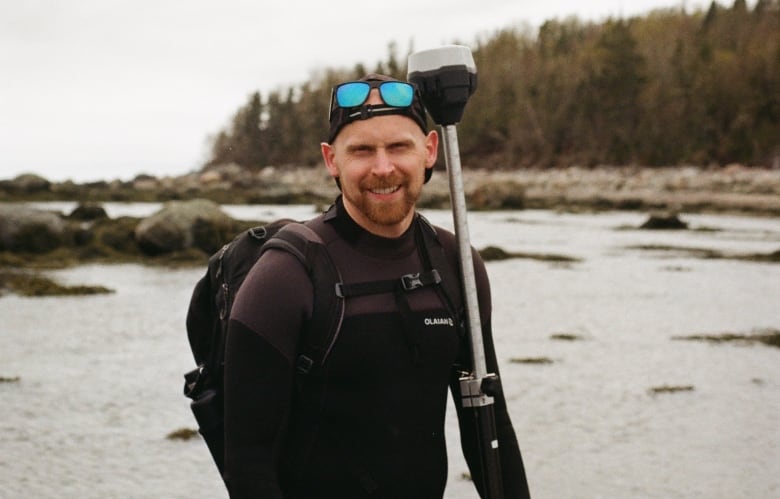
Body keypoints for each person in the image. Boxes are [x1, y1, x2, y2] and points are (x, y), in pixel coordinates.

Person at [223, 73, 531, 498]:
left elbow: (489, 426)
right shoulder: (286, 276)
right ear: (332, 160)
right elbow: (248, 463)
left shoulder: (456, 264)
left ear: (429, 150)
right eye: (362, 150)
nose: (383, 168)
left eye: (398, 147)